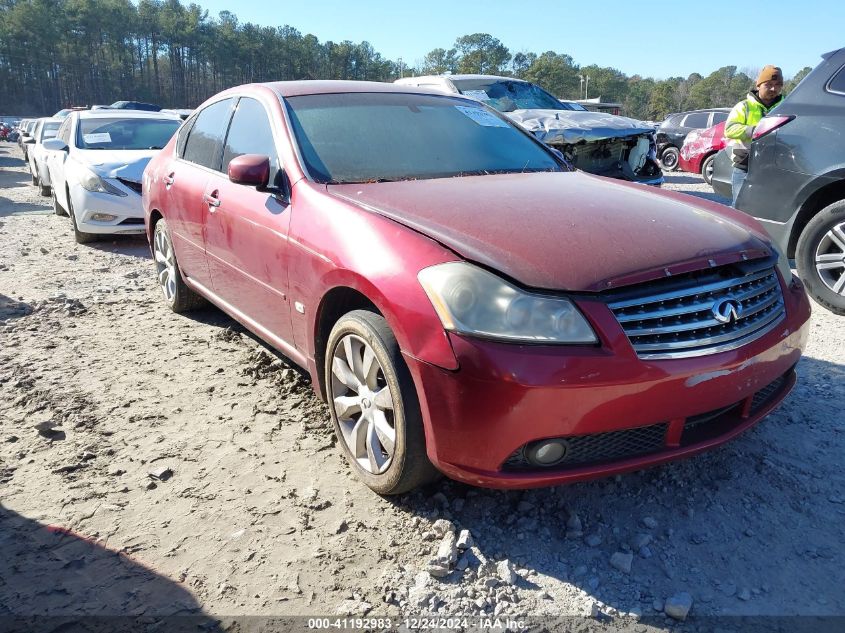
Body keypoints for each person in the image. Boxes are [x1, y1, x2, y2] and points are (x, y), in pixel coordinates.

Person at [724, 65, 784, 207]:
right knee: (740, 208)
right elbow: (729, 129)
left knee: (768, 209)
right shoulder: (744, 107)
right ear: (759, 85)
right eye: (768, 84)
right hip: (745, 167)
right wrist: (756, 130)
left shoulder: (786, 107)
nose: (773, 89)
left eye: (777, 85)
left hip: (775, 169)